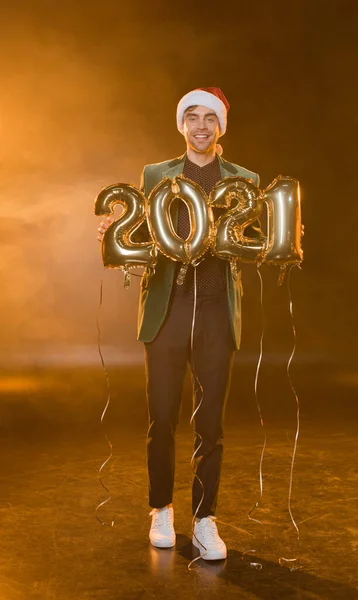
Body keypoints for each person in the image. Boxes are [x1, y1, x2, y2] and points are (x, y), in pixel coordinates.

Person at [97, 87, 260, 560]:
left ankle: (206, 518)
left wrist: (284, 233)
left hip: (214, 311)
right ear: (181, 125)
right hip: (166, 311)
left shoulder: (243, 180)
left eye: (210, 118)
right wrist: (114, 235)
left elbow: (257, 237)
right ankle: (161, 508)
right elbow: (142, 236)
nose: (201, 126)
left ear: (221, 126)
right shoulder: (156, 175)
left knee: (211, 424)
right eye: (192, 117)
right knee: (162, 418)